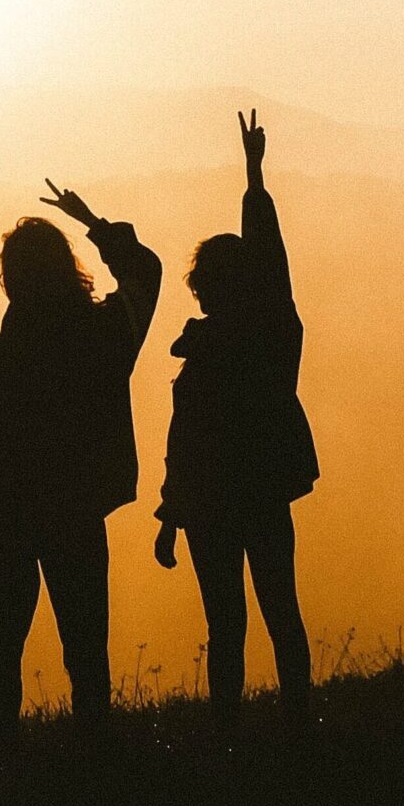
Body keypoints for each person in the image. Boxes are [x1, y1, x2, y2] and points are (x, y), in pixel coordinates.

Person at [0, 181, 161, 737]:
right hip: (77, 513)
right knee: (87, 652)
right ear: (68, 270)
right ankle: (94, 765)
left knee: (0, 658)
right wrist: (92, 221)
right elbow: (147, 272)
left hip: (8, 520)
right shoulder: (106, 334)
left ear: (10, 282)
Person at [152, 110, 318, 725]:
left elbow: (184, 444)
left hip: (210, 504)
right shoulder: (275, 333)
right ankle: (297, 722)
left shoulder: (210, 350)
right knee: (281, 610)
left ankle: (228, 732)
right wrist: (253, 179)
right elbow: (273, 263)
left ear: (201, 287)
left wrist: (172, 514)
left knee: (226, 623)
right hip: (264, 491)